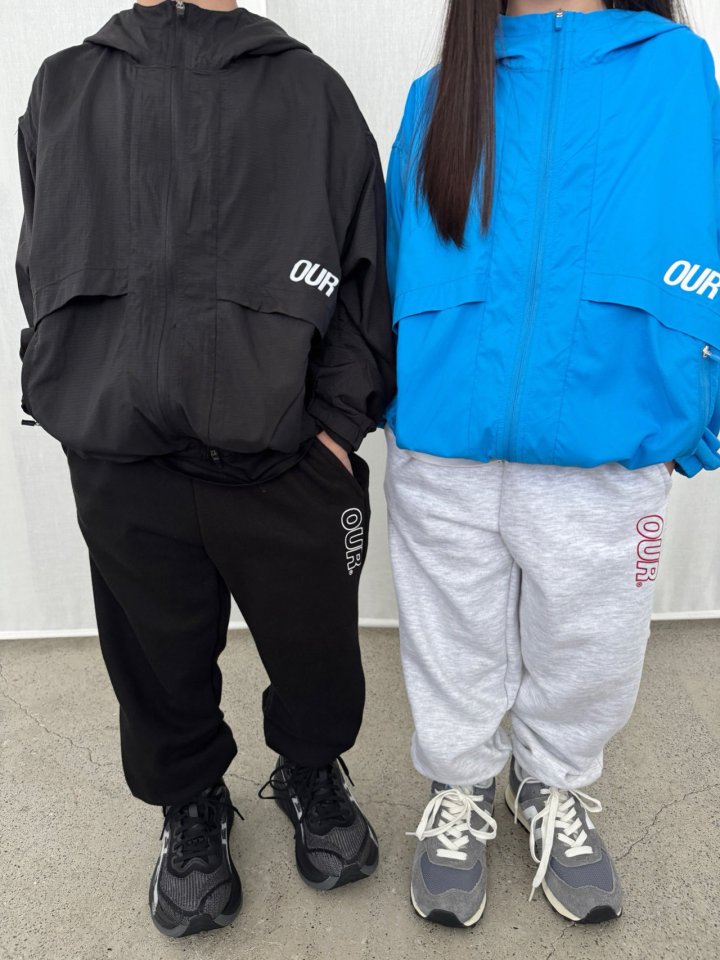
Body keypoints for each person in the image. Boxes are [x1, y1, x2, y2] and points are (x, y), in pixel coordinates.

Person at [16, 0, 394, 939]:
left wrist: (336, 428)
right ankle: (190, 804)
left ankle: (309, 770)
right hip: (124, 462)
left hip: (286, 461)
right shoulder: (66, 85)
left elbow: (364, 274)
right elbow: (44, 255)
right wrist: (73, 393)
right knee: (154, 662)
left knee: (316, 653)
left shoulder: (310, 91)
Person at [385, 0, 719, 929]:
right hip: (446, 442)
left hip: (605, 436)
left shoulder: (675, 70)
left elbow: (708, 228)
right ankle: (460, 785)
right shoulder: (441, 91)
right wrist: (391, 394)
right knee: (449, 638)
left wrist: (701, 408)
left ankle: (553, 781)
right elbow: (396, 250)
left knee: (592, 646)